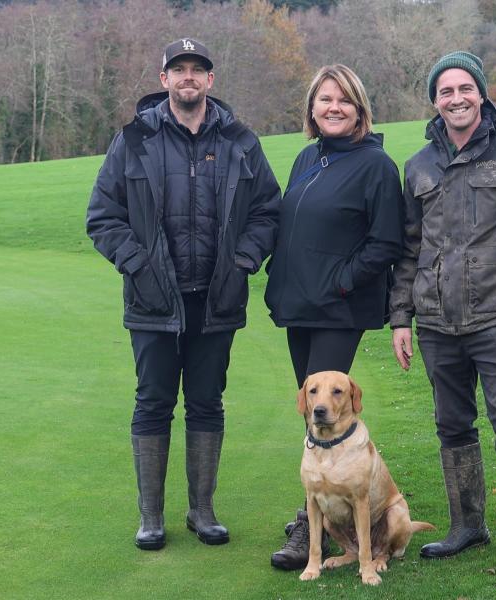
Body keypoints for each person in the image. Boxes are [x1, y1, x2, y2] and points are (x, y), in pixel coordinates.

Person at [86, 38, 280, 551]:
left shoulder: (241, 140)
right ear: (163, 77)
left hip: (215, 301)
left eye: (198, 70)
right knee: (152, 403)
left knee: (206, 403)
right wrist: (138, 266)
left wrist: (242, 264)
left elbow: (267, 212)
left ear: (210, 80)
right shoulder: (134, 140)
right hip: (152, 301)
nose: (188, 77)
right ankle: (151, 517)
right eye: (179, 70)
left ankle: (202, 510)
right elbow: (103, 217)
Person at [388, 51, 496, 581]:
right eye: (446, 91)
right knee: (452, 423)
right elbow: (409, 248)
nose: (457, 98)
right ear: (434, 101)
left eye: (466, 88)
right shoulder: (418, 165)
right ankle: (467, 526)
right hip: (437, 322)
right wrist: (401, 317)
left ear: (482, 94)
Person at [264, 64, 404, 571]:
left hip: (339, 307)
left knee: (326, 408)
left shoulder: (377, 167)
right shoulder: (307, 158)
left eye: (344, 99)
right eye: (325, 99)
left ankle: (310, 529)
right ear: (312, 108)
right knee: (311, 407)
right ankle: (320, 503)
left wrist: (340, 280)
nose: (333, 107)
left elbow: (387, 242)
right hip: (299, 305)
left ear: (360, 108)